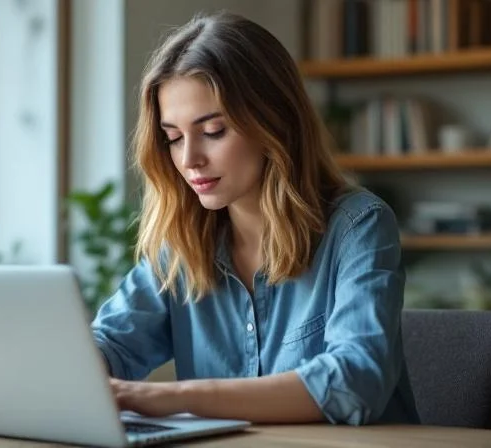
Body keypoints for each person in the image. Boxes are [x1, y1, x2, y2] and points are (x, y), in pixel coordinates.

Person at [91, 11, 420, 426]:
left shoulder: (359, 226)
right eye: (173, 138)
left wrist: (171, 397)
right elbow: (110, 344)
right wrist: (75, 367)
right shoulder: (182, 243)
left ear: (274, 122)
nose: (189, 159)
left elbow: (353, 381)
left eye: (213, 131)